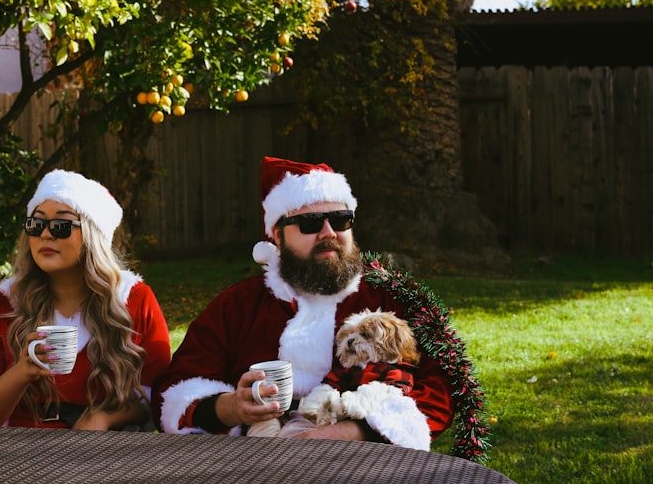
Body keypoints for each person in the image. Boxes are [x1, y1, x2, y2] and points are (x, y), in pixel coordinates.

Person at [153, 156, 455, 449]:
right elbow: (173, 389)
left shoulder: (389, 299)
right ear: (277, 235)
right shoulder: (238, 306)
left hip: (364, 458)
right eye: (310, 223)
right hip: (253, 458)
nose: (329, 233)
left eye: (340, 220)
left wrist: (352, 432)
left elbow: (442, 385)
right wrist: (232, 408)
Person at [0, 169, 171, 430]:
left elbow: (158, 395)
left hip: (104, 457)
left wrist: (103, 417)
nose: (45, 234)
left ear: (92, 235)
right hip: (14, 454)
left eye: (61, 226)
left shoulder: (133, 299)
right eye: (36, 223)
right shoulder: (3, 305)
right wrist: (22, 372)